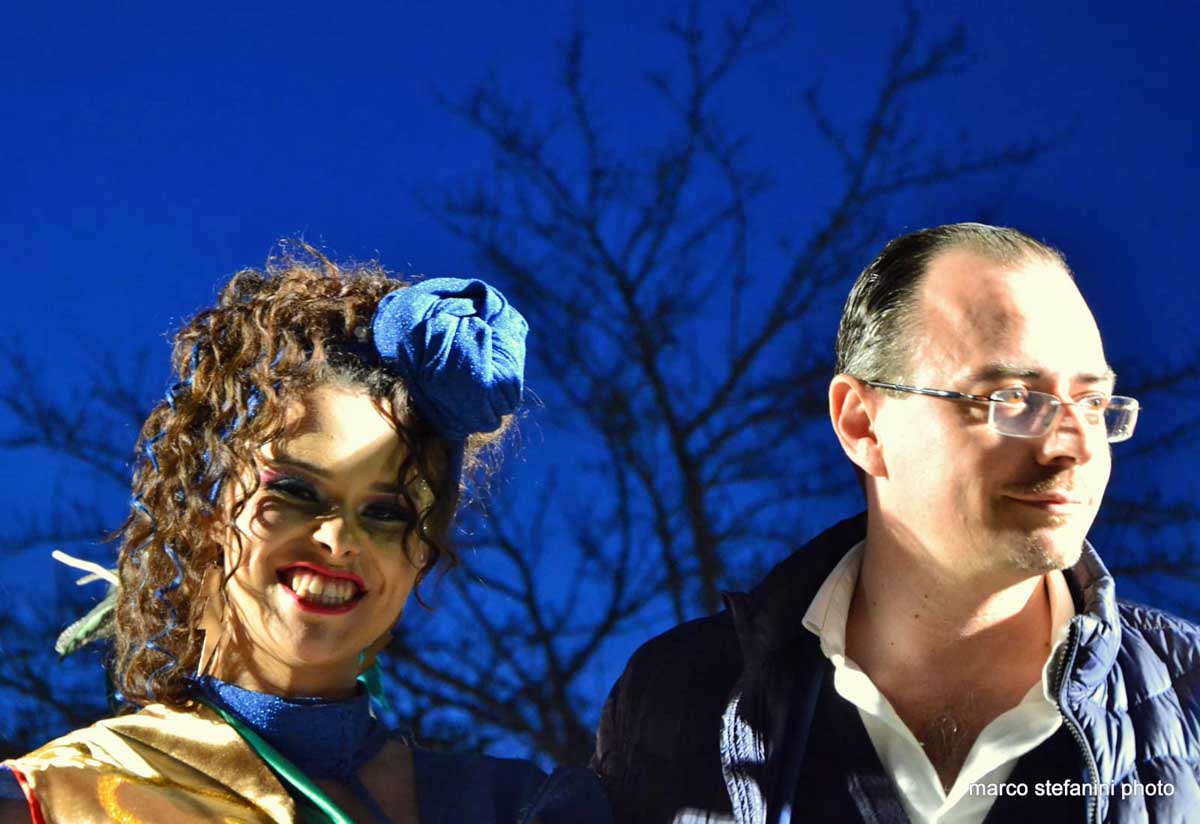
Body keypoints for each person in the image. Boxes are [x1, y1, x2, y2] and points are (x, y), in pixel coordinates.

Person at [592, 223, 1200, 823]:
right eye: (1012, 398)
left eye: (1092, 404)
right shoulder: (674, 700)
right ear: (862, 424)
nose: (1074, 447)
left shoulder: (1189, 695)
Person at [1, 246, 610, 823]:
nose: (339, 539)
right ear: (209, 511)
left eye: (387, 513)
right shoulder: (62, 798)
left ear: (422, 556)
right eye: (296, 490)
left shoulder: (511, 807)